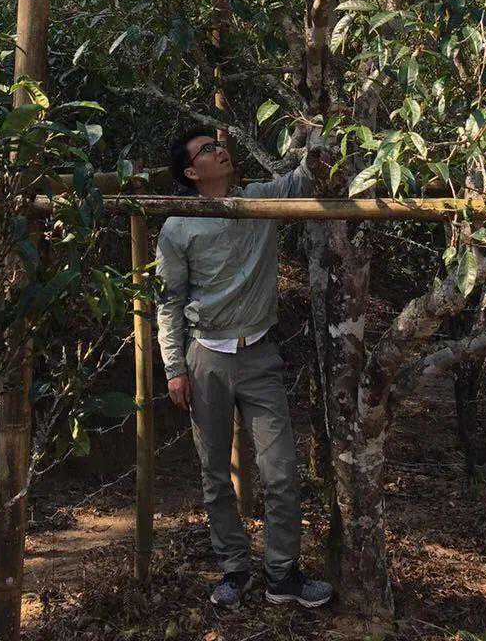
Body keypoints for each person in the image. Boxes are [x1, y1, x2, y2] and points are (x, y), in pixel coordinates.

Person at [155, 124, 334, 611]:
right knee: (214, 473)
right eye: (207, 150)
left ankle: (283, 574)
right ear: (192, 173)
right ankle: (234, 570)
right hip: (206, 360)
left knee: (281, 471)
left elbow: (301, 180)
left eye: (219, 145)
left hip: (259, 355)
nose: (220, 151)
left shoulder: (258, 201)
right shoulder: (178, 227)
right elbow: (169, 302)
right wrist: (174, 368)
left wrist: (316, 131)